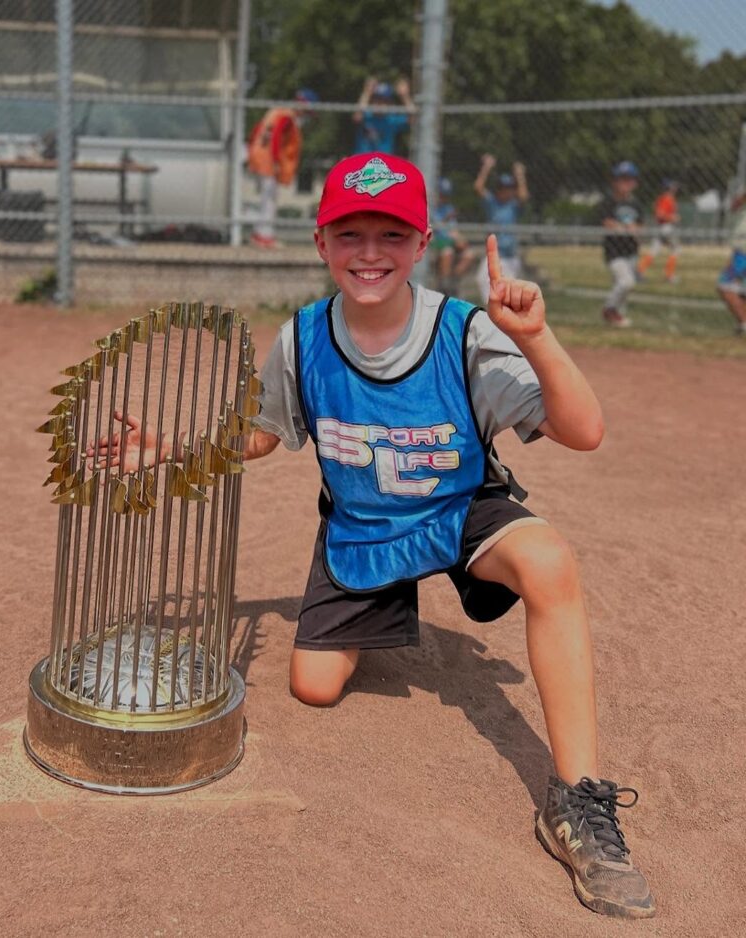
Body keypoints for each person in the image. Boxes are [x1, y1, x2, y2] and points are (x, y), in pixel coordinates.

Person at [91, 152, 656, 920]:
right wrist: (171, 447)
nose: (369, 253)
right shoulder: (303, 339)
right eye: (350, 233)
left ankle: (578, 802)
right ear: (321, 242)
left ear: (422, 244)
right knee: (315, 686)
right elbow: (261, 434)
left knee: (549, 562)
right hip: (363, 528)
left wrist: (536, 337)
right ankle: (387, 606)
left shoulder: (467, 332)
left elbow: (584, 431)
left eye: (391, 234)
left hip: (460, 510)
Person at [246, 88, 317, 249]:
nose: (306, 116)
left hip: (260, 156)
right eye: (307, 112)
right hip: (268, 161)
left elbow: (257, 129)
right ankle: (265, 236)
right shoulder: (287, 117)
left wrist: (251, 150)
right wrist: (277, 161)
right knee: (270, 200)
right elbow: (277, 134)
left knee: (266, 198)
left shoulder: (277, 111)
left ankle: (259, 234)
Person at [474, 154, 528, 304]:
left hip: (509, 256)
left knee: (508, 289)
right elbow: (478, 187)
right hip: (494, 253)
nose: (506, 191)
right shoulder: (492, 203)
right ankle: (493, 309)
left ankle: (501, 312)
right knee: (482, 279)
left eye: (509, 188)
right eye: (503, 188)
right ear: (497, 190)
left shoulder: (513, 206)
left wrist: (520, 176)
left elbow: (523, 196)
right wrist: (486, 168)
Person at [599, 161, 643, 328]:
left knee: (623, 286)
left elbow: (640, 226)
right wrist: (625, 227)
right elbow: (606, 222)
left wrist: (634, 229)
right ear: (614, 182)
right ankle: (609, 309)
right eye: (621, 179)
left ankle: (616, 317)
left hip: (631, 251)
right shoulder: (609, 202)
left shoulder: (636, 204)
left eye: (629, 179)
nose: (625, 183)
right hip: (614, 252)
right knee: (626, 282)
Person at [430, 177, 474, 293]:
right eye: (442, 194)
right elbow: (434, 228)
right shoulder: (431, 208)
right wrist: (446, 218)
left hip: (449, 241)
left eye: (446, 195)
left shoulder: (448, 207)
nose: (444, 198)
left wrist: (459, 238)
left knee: (469, 254)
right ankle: (443, 287)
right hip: (436, 242)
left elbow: (453, 230)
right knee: (448, 252)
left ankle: (453, 281)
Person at [352, 77, 413, 155]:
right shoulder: (366, 116)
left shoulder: (391, 120)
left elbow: (412, 119)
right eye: (377, 99)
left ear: (389, 103)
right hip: (363, 160)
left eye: (384, 101)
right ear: (372, 101)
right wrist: (367, 93)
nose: (380, 104)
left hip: (383, 161)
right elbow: (357, 117)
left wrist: (404, 96)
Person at [716, 185, 746, 337]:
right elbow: (734, 206)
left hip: (743, 252)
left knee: (725, 286)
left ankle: (744, 324)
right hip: (740, 250)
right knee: (740, 291)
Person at [638, 179, 680, 283]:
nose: (675, 188)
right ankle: (669, 275)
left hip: (662, 228)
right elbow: (659, 214)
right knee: (676, 250)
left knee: (654, 250)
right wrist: (672, 218)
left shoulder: (665, 198)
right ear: (669, 188)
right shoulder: (666, 198)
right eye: (673, 186)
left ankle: (639, 271)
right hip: (666, 228)